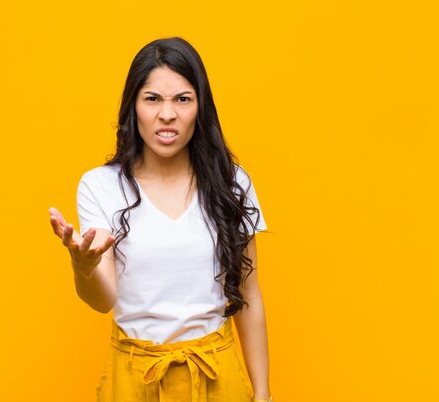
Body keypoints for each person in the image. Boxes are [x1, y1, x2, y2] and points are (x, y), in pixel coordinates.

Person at [49, 37, 273, 402]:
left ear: (200, 108)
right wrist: (83, 267)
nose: (166, 114)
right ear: (133, 107)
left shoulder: (232, 182)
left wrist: (263, 395)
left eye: (182, 99)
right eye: (152, 98)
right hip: (134, 381)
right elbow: (103, 299)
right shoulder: (101, 185)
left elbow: (248, 293)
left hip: (218, 378)